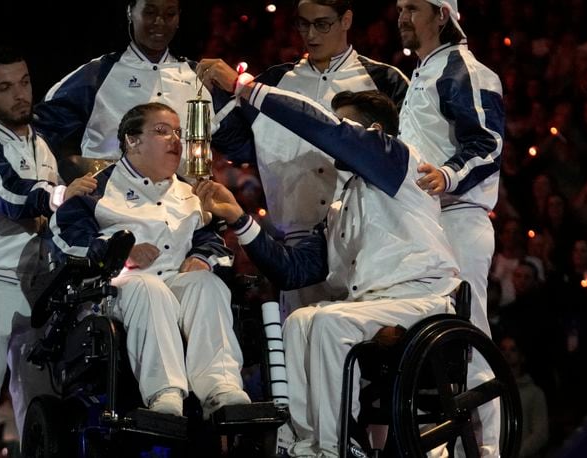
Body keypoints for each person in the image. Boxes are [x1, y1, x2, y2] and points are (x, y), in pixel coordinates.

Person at [194, 78, 461, 456]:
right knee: (301, 321)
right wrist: (240, 218)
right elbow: (295, 270)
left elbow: (328, 131)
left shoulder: (399, 161)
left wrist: (246, 87)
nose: (332, 138)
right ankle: (305, 444)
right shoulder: (339, 204)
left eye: (344, 125)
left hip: (423, 298)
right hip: (373, 305)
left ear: (374, 133)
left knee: (327, 323)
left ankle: (339, 445)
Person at [201, 0, 410, 313]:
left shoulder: (385, 81)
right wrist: (212, 96)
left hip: (368, 240)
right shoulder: (273, 83)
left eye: (322, 23)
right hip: (297, 246)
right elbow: (241, 147)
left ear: (346, 20)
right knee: (303, 348)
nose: (311, 34)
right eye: (303, 24)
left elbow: (403, 158)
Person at [48, 102, 250, 418]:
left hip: (175, 280)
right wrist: (120, 251)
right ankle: (165, 394)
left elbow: (211, 241)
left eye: (178, 133)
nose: (175, 140)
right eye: (161, 131)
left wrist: (201, 258)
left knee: (206, 285)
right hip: (115, 286)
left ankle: (221, 390)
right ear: (133, 140)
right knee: (148, 288)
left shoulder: (190, 193)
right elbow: (69, 238)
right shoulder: (96, 187)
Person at [0, 46, 97, 457]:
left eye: (25, 82)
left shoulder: (39, 144)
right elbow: (12, 195)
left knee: (37, 398)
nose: (20, 94)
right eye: (5, 87)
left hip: (35, 287)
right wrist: (63, 193)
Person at [396, 0, 505, 454]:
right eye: (399, 8)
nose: (402, 17)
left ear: (441, 15)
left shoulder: (465, 69)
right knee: (436, 344)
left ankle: (489, 450)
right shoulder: (421, 73)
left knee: (470, 340)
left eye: (413, 8)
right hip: (425, 225)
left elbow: (488, 142)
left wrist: (447, 173)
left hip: (459, 219)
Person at [33, 0, 250, 163]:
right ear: (130, 12)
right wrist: (61, 182)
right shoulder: (98, 74)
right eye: (150, 12)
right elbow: (37, 131)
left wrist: (239, 89)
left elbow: (243, 147)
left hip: (188, 216)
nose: (160, 22)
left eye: (170, 14)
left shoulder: (200, 77)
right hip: (114, 215)